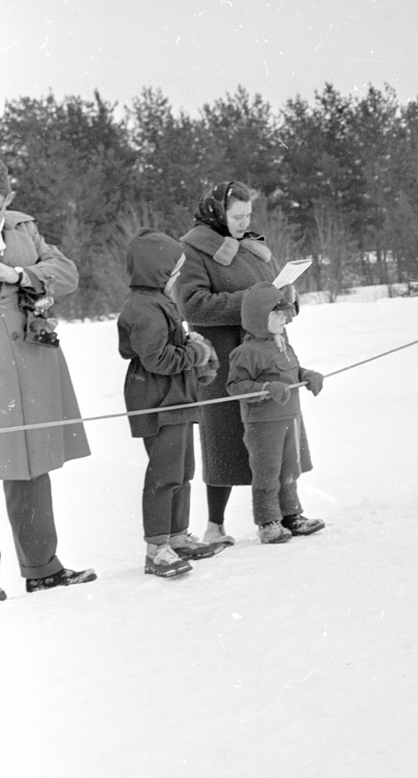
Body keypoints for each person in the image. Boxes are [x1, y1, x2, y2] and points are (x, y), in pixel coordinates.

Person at [178, 180, 317, 544]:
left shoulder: (253, 248)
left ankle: (288, 513)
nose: (243, 223)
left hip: (270, 357)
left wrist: (285, 299)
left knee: (278, 439)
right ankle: (215, 525)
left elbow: (266, 296)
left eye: (248, 215)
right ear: (217, 212)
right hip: (226, 359)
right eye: (237, 216)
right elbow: (191, 304)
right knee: (222, 439)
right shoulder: (194, 249)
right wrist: (250, 302)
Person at [0, 150, 95, 603]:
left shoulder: (24, 228)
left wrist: (17, 273)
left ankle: (42, 568)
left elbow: (66, 273)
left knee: (29, 464)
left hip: (29, 361)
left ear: (8, 197)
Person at [117, 230, 227, 579]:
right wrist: (191, 353)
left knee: (183, 472)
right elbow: (157, 360)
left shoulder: (158, 302)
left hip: (177, 399)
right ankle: (156, 548)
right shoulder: (143, 308)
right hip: (158, 401)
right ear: (157, 273)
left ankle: (178, 535)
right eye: (173, 274)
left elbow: (168, 348)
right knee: (164, 475)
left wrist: (189, 346)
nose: (177, 280)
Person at [225, 283, 325, 544]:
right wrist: (266, 388)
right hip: (263, 424)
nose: (284, 319)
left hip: (290, 418)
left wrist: (307, 376)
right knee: (268, 472)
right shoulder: (246, 352)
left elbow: (291, 371)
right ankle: (268, 522)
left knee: (290, 469)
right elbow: (235, 387)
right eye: (277, 315)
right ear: (259, 318)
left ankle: (291, 515)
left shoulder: (281, 344)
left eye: (284, 314)